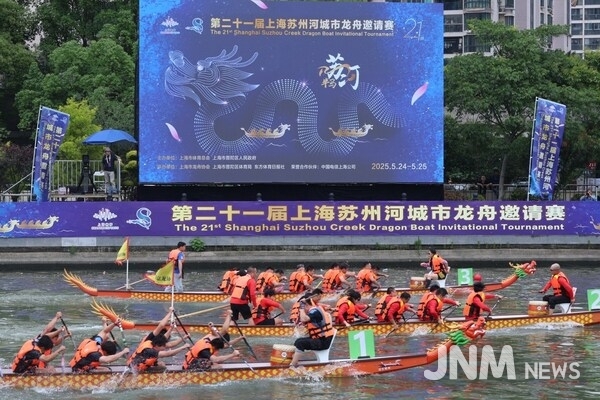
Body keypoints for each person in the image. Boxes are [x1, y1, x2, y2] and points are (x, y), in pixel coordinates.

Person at [290, 292, 336, 367]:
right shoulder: (314, 311)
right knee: (298, 341)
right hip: (321, 339)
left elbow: (304, 319)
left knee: (300, 343)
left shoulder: (315, 311)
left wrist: (301, 308)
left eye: (303, 308)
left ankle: (292, 365)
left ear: (306, 305)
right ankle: (295, 361)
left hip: (323, 342)